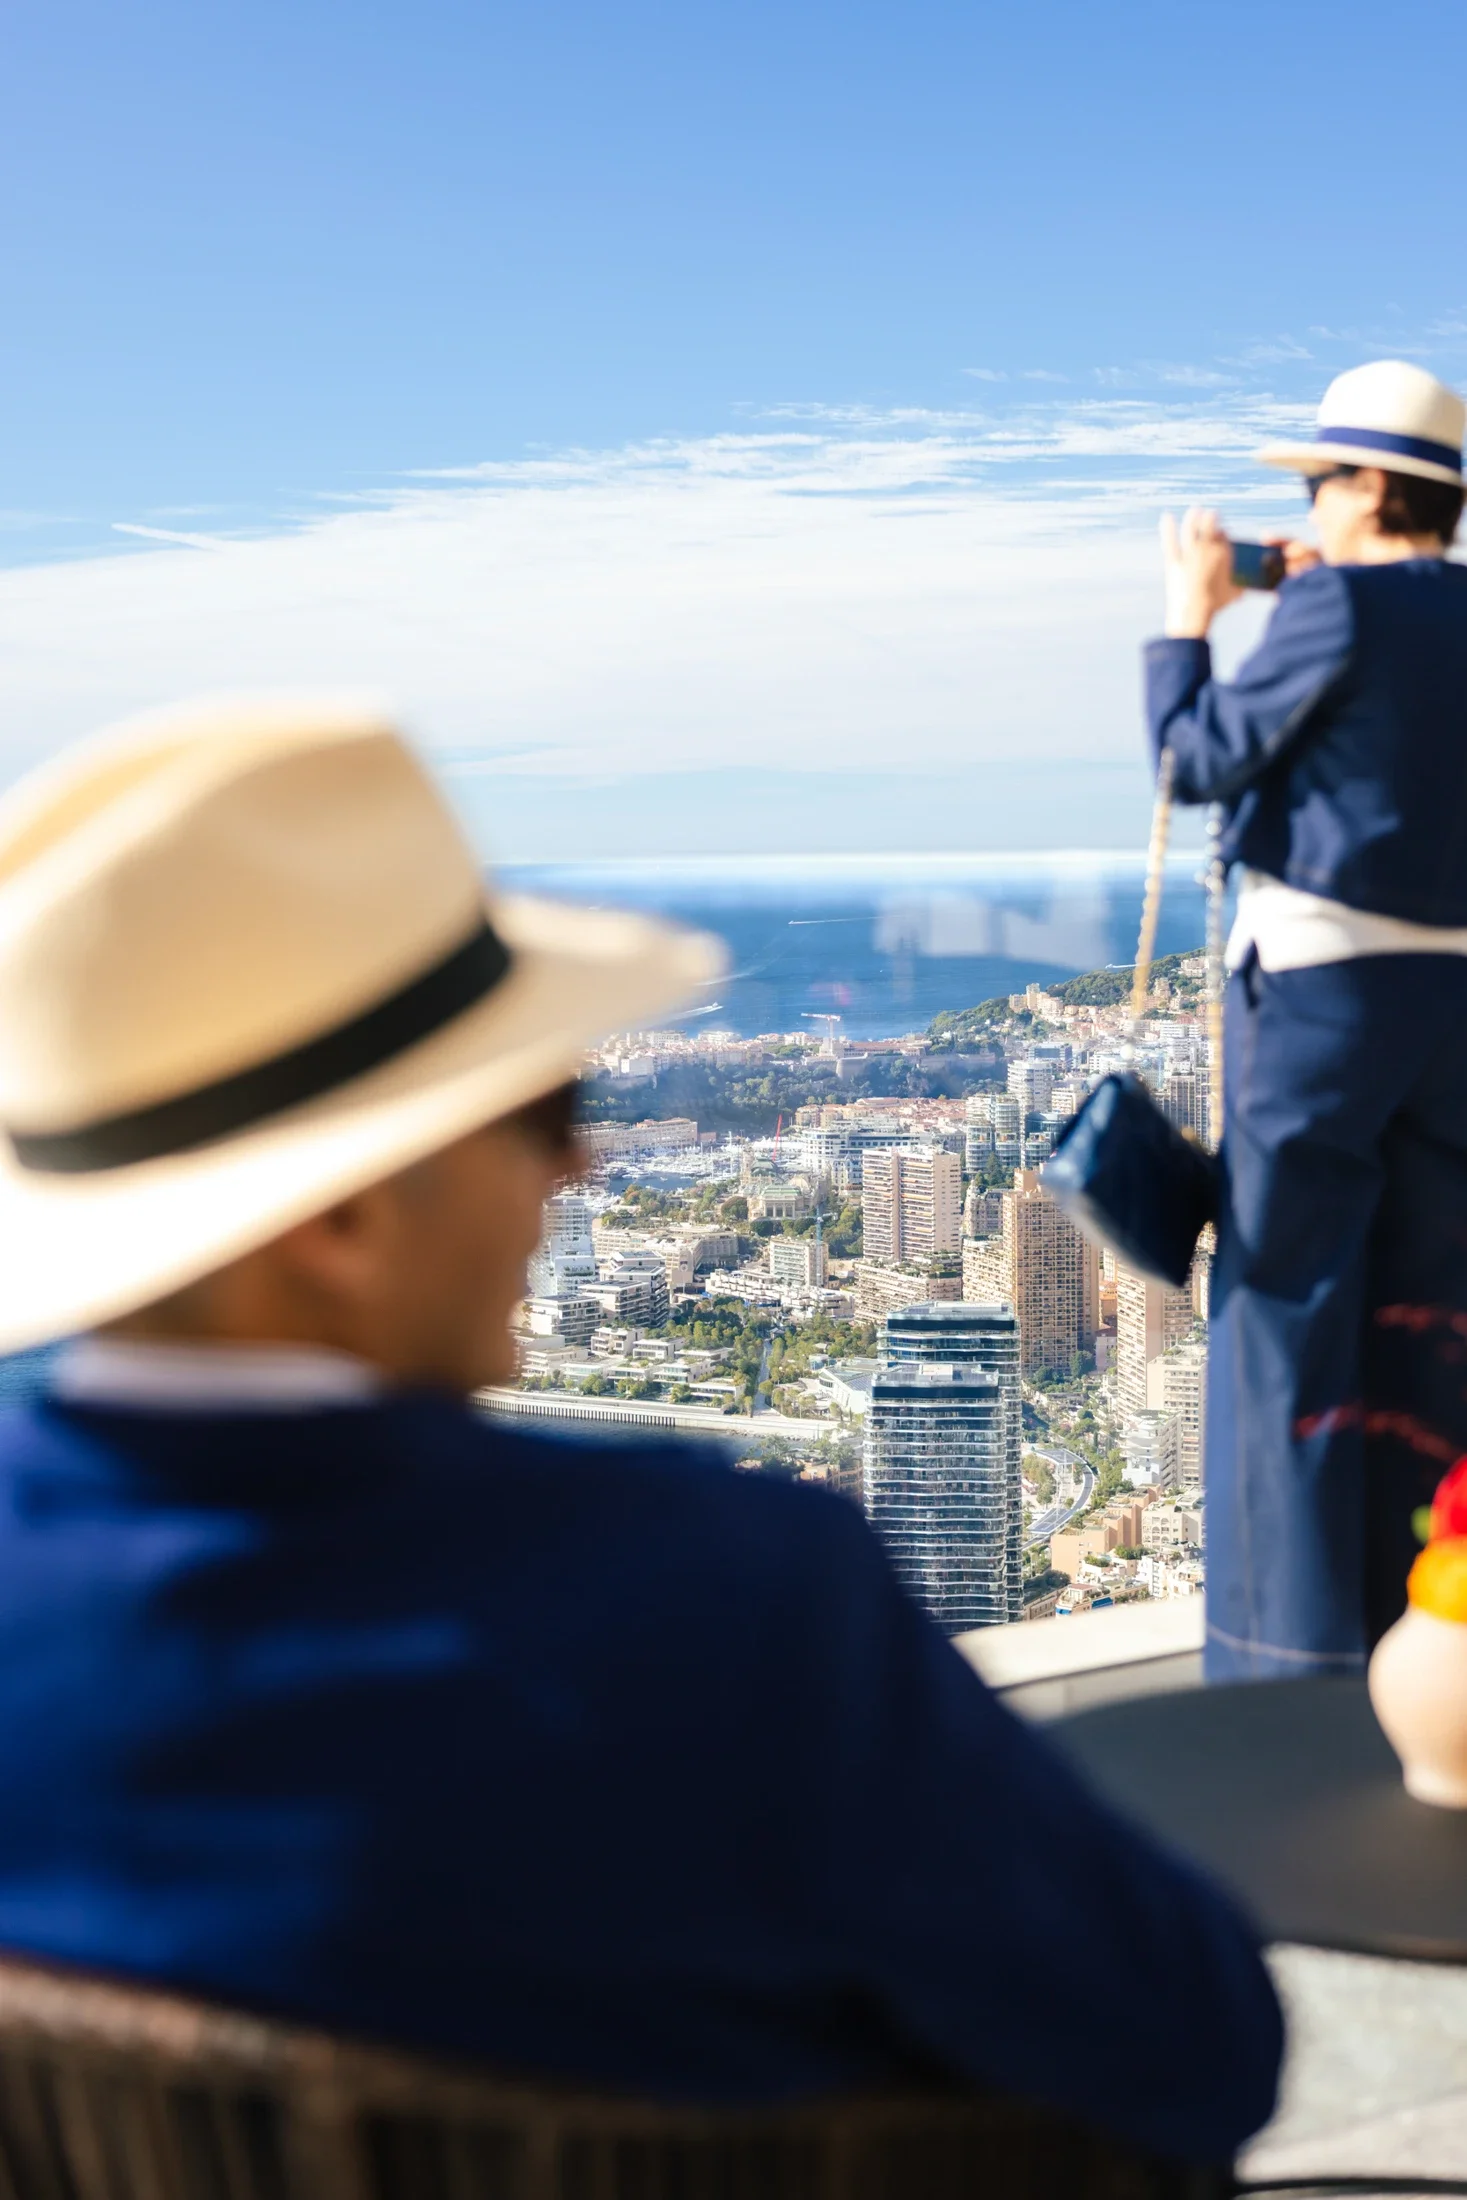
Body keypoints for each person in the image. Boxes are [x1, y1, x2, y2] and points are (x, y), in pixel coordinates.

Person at [0, 702, 1280, 2169]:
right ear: (337, 1221)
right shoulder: (728, 1602)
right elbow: (1194, 2047)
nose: (581, 1163)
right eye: (542, 1108)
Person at [1146, 359, 1467, 1683]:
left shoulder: (1331, 607)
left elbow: (1191, 756)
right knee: (1429, 1307)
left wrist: (1188, 617)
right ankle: (1431, 1622)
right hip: (1449, 1003)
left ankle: (1277, 1661)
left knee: (1282, 1308)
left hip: (1318, 998)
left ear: (1373, 489)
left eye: (1324, 482)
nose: (1312, 507)